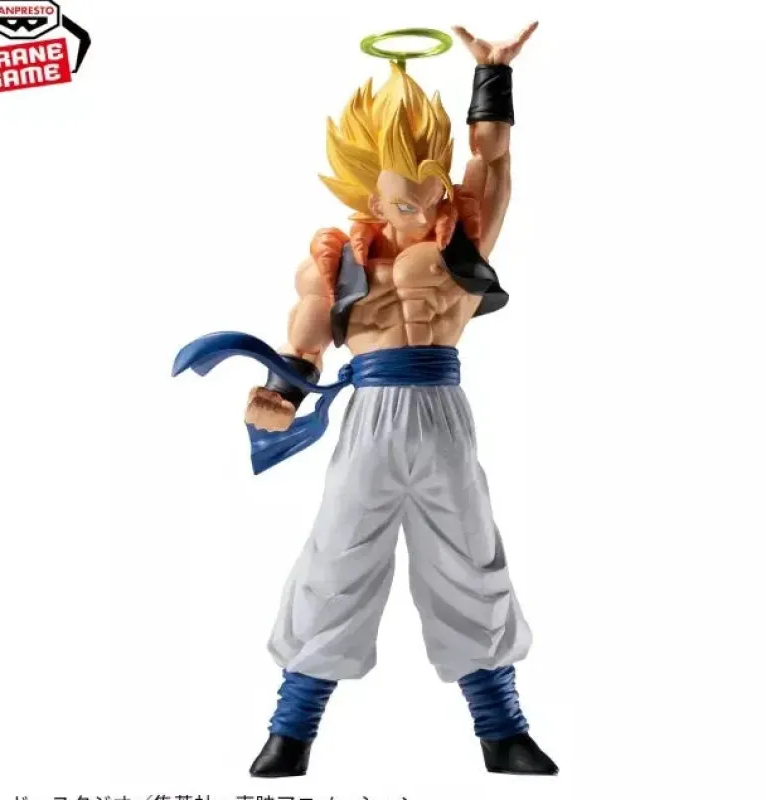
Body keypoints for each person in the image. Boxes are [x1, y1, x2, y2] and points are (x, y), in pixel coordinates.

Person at [173, 22, 557, 778]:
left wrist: (492, 77)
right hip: (370, 417)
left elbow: (493, 160)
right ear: (370, 189)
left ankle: (502, 729)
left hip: (442, 413)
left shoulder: (462, 246)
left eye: (427, 181)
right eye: (398, 190)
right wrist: (277, 398)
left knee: (471, 562)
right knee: (337, 557)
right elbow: (303, 350)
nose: (416, 201)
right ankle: (291, 729)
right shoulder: (338, 264)